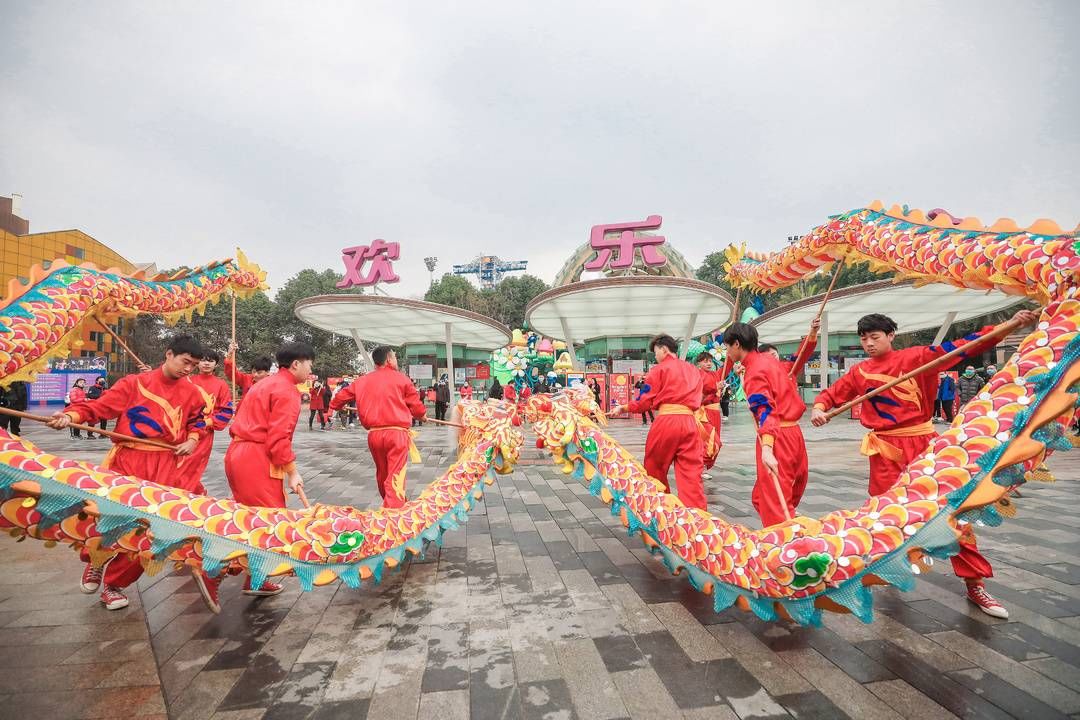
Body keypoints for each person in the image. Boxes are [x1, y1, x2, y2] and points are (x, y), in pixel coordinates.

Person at [811, 309, 1039, 618]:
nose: (869, 344)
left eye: (875, 337)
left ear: (891, 335)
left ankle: (975, 583)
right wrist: (820, 409)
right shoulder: (859, 372)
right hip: (884, 451)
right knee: (884, 515)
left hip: (924, 447)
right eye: (864, 339)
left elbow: (964, 346)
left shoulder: (918, 357)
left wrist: (1005, 327)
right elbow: (831, 395)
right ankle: (887, 568)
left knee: (952, 512)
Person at [46, 335, 212, 612]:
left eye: (193, 365)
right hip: (128, 462)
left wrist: (192, 439)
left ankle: (114, 584)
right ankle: (96, 562)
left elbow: (199, 420)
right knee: (113, 519)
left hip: (165, 465)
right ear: (169, 354)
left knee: (151, 531)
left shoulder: (193, 392)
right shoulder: (134, 384)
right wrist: (71, 417)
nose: (189, 369)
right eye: (185, 362)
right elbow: (99, 408)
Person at [195, 342, 314, 613]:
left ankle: (257, 578)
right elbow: (278, 439)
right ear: (295, 364)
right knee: (265, 523)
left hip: (242, 453)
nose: (310, 369)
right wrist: (293, 472)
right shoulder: (286, 391)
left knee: (256, 518)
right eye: (309, 363)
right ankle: (214, 569)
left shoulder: (264, 384)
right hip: (257, 458)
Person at [723, 323, 809, 526]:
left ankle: (781, 548)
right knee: (762, 496)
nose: (726, 352)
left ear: (737, 344)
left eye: (727, 347)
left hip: (777, 436)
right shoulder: (770, 362)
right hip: (794, 432)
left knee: (774, 502)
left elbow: (765, 411)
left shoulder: (755, 371)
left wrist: (768, 448)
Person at [611, 335, 707, 510]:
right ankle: (697, 520)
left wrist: (623, 408)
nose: (655, 357)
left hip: (667, 422)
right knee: (691, 475)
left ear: (664, 349)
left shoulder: (659, 370)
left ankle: (662, 510)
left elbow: (643, 401)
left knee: (654, 468)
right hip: (690, 422)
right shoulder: (693, 370)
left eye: (656, 353)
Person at [330, 346, 427, 508]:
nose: (396, 361)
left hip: (374, 436)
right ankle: (393, 514)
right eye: (395, 357)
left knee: (383, 474)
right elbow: (416, 407)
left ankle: (393, 504)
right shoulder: (401, 379)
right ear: (388, 359)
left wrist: (338, 406)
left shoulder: (362, 381)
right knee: (395, 475)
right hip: (396, 435)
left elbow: (337, 400)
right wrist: (421, 415)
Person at [188, 350, 234, 482]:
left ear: (216, 365)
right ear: (197, 363)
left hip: (204, 433)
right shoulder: (187, 380)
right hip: (183, 431)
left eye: (210, 361)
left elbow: (226, 411)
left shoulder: (221, 385)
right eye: (203, 360)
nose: (206, 363)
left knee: (194, 467)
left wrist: (206, 422)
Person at [693, 353, 722, 476]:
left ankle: (701, 467)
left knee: (714, 442)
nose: (709, 363)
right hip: (704, 413)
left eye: (710, 361)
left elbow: (727, 365)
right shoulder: (697, 375)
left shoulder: (715, 375)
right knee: (712, 442)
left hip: (715, 413)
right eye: (705, 361)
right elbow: (699, 397)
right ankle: (697, 466)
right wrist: (715, 388)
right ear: (698, 363)